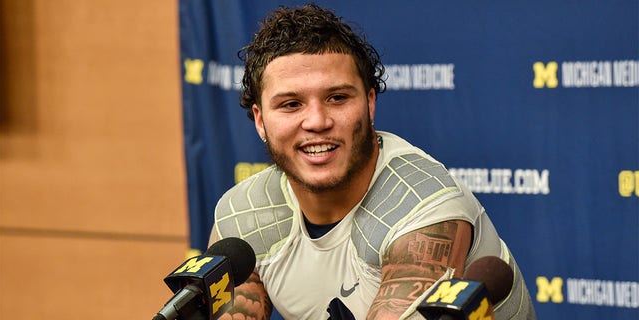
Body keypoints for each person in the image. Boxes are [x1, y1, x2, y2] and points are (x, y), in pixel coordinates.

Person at [209, 4, 536, 319]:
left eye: (337, 98)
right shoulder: (243, 218)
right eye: (291, 104)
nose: (317, 121)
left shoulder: (423, 208)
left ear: (369, 103)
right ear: (260, 120)